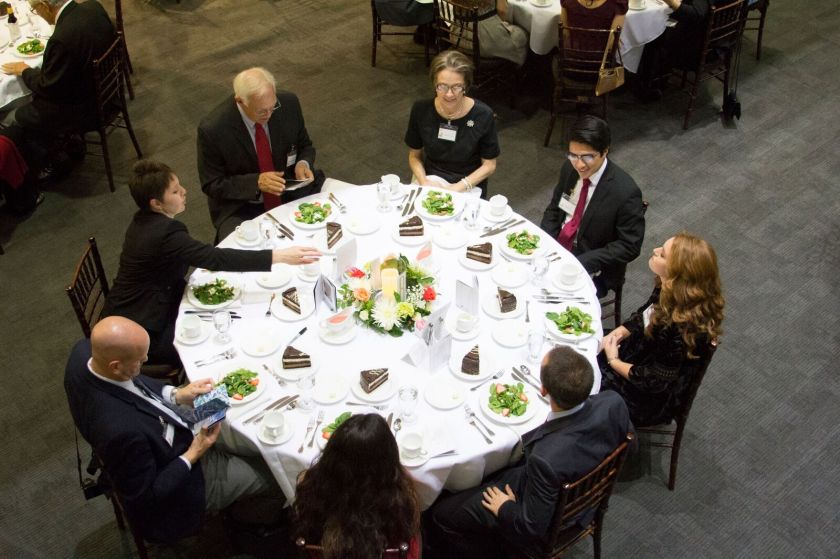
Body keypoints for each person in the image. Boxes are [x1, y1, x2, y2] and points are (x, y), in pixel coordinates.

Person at [64, 316, 280, 544]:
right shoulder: (121, 432)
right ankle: (250, 520)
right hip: (186, 476)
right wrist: (194, 453)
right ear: (116, 366)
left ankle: (242, 456)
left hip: (174, 427)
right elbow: (147, 496)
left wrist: (176, 394)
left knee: (237, 407)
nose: (146, 361)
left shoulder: (84, 353)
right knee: (275, 472)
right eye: (140, 360)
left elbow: (136, 383)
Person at [102, 160, 320, 366]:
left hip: (143, 301)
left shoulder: (143, 220)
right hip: (144, 326)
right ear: (156, 203)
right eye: (176, 191)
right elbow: (215, 258)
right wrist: (279, 256)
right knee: (222, 340)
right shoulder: (166, 233)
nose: (184, 192)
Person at [425, 347, 632, 558]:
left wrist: (505, 507)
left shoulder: (545, 459)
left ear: (543, 390)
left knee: (441, 515)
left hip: (544, 511)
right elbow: (629, 449)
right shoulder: (613, 402)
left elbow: (531, 528)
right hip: (584, 497)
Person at [600, 232, 724, 426]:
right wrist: (619, 332)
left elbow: (654, 382)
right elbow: (645, 313)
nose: (655, 251)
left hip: (647, 397)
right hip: (641, 356)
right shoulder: (669, 287)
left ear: (677, 273)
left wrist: (613, 360)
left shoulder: (682, 329)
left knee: (578, 384)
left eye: (663, 254)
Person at [197, 67, 324, 241]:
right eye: (261, 111)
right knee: (244, 256)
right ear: (240, 101)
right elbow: (211, 184)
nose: (269, 114)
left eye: (272, 107)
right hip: (243, 205)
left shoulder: (288, 103)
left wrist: (303, 163)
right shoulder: (214, 130)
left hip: (289, 189)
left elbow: (305, 145)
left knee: (325, 225)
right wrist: (256, 182)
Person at [1, 0, 115, 174]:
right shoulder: (94, 6)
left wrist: (24, 70)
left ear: (45, 6)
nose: (36, 13)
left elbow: (48, 86)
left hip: (82, 107)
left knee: (9, 117)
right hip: (106, 89)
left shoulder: (61, 38)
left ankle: (45, 163)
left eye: (35, 9)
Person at [539, 115, 645, 297]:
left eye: (587, 157)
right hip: (559, 246)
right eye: (573, 155)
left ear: (605, 151)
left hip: (594, 262)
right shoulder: (569, 168)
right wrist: (547, 241)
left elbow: (630, 246)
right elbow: (555, 208)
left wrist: (582, 261)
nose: (579, 164)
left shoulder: (625, 192)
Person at [294, 414, 421, 559]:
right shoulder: (399, 497)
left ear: (331, 455)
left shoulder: (310, 486)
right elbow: (407, 532)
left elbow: (304, 524)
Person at [405, 50, 500, 198]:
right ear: (434, 84)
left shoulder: (483, 115)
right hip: (431, 178)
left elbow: (489, 165)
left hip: (468, 182)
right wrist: (424, 181)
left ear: (466, 86)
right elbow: (414, 156)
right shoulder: (421, 109)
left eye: (456, 87)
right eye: (442, 86)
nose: (449, 94)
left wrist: (457, 188)